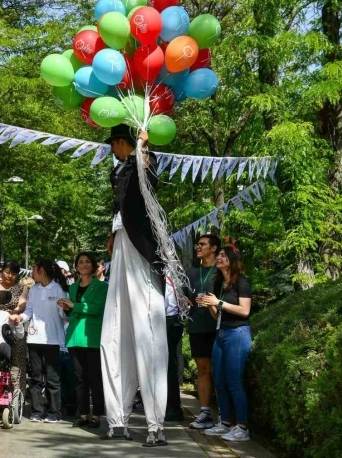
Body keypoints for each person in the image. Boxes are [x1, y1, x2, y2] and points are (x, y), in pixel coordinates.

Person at [101, 125, 168, 447]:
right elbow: (119, 205)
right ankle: (117, 419)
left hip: (142, 250)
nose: (113, 149)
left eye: (116, 143)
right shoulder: (118, 170)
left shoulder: (143, 160)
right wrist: (113, 233)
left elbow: (148, 181)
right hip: (123, 247)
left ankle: (156, 424)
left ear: (122, 142)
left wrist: (143, 145)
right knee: (115, 333)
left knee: (148, 332)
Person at [198, 246, 253, 442]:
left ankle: (242, 427)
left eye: (223, 255)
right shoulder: (220, 284)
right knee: (219, 380)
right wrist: (210, 304)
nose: (219, 258)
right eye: (218, 255)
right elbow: (216, 316)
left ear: (232, 259)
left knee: (234, 381)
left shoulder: (242, 282)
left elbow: (244, 311)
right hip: (221, 334)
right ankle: (226, 423)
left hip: (237, 334)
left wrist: (219, 302)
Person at [58, 252, 108, 429]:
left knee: (95, 378)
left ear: (94, 266)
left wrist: (74, 306)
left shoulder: (103, 287)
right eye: (81, 262)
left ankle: (97, 414)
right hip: (74, 337)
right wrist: (67, 308)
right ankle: (83, 413)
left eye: (88, 262)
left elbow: (96, 309)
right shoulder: (72, 288)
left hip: (92, 336)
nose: (84, 264)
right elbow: (73, 312)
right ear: (76, 266)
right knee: (79, 379)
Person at [18, 259, 69, 423]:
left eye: (34, 268)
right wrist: (21, 317)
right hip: (34, 338)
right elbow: (30, 310)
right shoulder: (33, 289)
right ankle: (37, 410)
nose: (32, 272)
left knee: (53, 378)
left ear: (41, 270)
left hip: (53, 339)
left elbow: (64, 315)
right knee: (36, 377)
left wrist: (64, 308)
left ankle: (55, 412)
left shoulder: (60, 288)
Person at [186, 234, 220, 429]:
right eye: (197, 244)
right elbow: (184, 296)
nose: (198, 247)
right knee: (203, 369)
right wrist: (185, 301)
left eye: (202, 244)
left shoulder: (221, 270)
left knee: (220, 371)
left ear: (213, 248)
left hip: (218, 327)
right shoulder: (191, 272)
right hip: (197, 326)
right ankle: (205, 412)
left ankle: (224, 414)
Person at [0, 260, 29, 399]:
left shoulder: (21, 288)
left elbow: (21, 306)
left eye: (13, 273)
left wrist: (12, 314)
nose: (9, 276)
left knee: (17, 362)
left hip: (14, 326)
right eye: (7, 272)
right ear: (1, 271)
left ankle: (17, 396)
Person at [164, 275, 184, 422]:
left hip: (171, 319)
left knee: (170, 364)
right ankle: (168, 404)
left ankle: (173, 406)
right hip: (165, 318)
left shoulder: (173, 274)